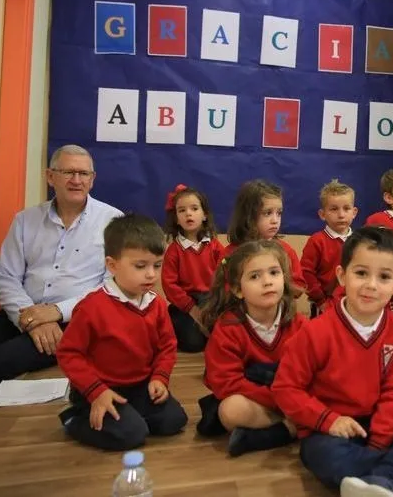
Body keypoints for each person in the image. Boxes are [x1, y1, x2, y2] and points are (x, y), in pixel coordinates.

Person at [0, 145, 121, 444]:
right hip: (22, 312)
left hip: (75, 319)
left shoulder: (112, 221)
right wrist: (30, 317)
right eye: (68, 172)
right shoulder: (26, 220)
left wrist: (56, 312)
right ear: (50, 176)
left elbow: (110, 285)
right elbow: (5, 275)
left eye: (83, 173)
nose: (76, 180)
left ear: (92, 179)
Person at [272, 226, 393, 496]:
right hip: (331, 429)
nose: (371, 285)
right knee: (324, 457)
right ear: (342, 275)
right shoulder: (314, 332)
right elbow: (285, 389)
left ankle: (384, 478)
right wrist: (329, 420)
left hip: (378, 423)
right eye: (361, 273)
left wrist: (379, 443)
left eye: (384, 276)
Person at [56, 214, 187, 451]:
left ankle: (129, 416)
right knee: (132, 435)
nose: (151, 274)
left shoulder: (157, 304)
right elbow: (69, 353)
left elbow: (167, 346)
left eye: (157, 265)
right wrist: (96, 391)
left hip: (139, 385)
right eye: (140, 266)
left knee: (174, 420)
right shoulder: (91, 307)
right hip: (99, 387)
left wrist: (160, 377)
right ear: (112, 265)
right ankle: (74, 418)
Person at [198, 241, 307, 456]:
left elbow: (313, 371)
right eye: (255, 276)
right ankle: (292, 429)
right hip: (255, 397)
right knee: (230, 411)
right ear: (238, 290)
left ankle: (275, 433)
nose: (267, 282)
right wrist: (279, 401)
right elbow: (227, 383)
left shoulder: (299, 323)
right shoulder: (228, 328)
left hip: (290, 394)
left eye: (274, 273)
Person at [161, 184, 224, 352]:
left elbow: (225, 273)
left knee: (223, 334)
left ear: (204, 215)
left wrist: (216, 301)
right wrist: (192, 309)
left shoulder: (215, 246)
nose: (188, 213)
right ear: (176, 219)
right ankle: (174, 323)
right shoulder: (174, 251)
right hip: (186, 302)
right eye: (182, 210)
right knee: (193, 344)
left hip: (212, 300)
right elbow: (169, 285)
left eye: (194, 208)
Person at [301, 180, 358, 315]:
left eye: (346, 208)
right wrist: (320, 301)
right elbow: (306, 273)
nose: (341, 215)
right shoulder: (316, 241)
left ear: (354, 212)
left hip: (355, 303)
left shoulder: (360, 241)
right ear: (322, 214)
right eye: (334, 209)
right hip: (324, 305)